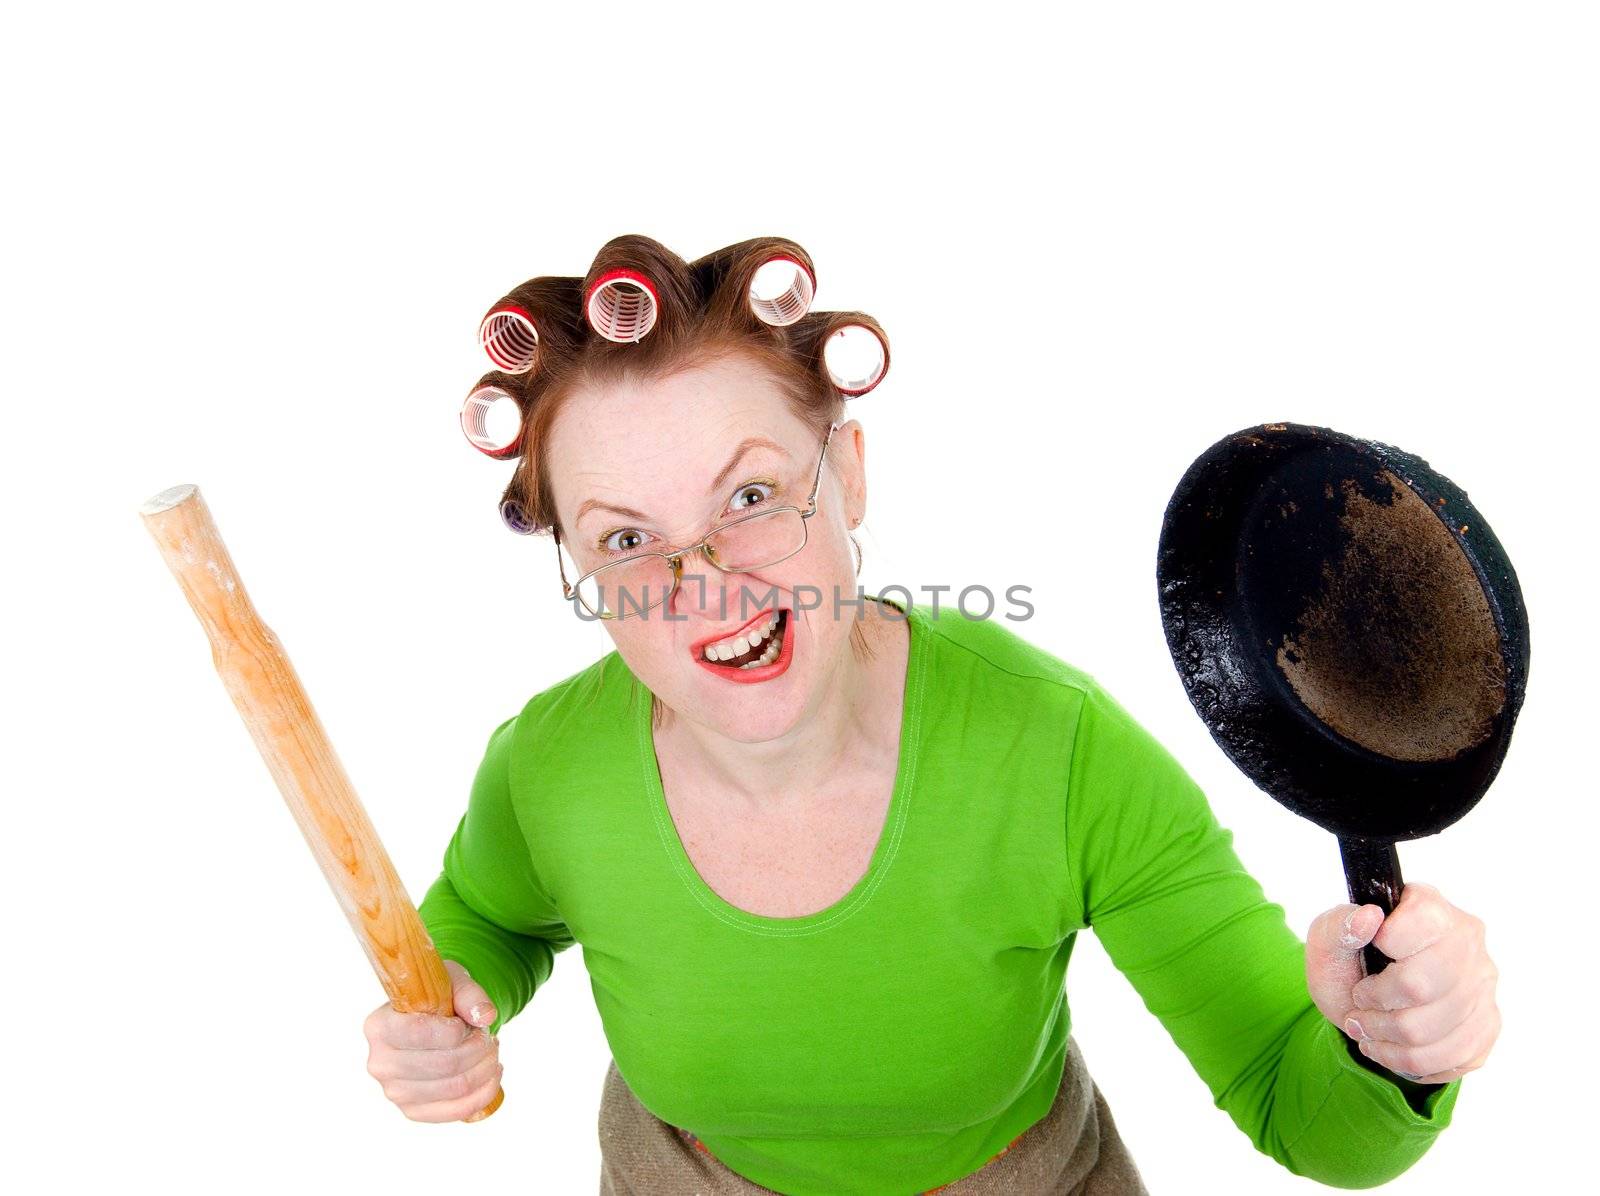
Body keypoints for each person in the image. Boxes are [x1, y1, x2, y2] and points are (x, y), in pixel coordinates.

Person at [361, 235, 1501, 1194]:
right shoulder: (543, 767)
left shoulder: (1057, 751)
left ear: (846, 474)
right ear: (576, 569)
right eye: (624, 537)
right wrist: (451, 990)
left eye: (751, 496)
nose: (701, 580)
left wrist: (1398, 1047)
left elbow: (1308, 1111)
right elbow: (488, 914)